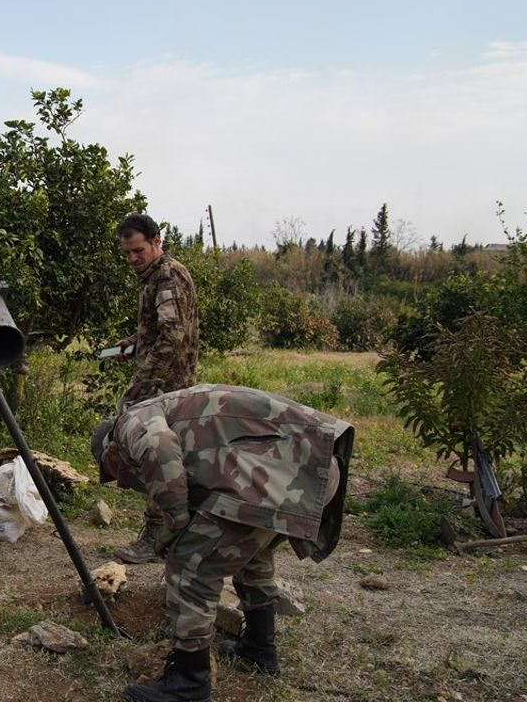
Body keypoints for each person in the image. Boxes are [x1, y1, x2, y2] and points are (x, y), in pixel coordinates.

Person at [91, 384, 353, 702]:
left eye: (113, 472)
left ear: (112, 451)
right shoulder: (170, 410)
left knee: (191, 564)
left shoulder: (130, 423)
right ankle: (259, 648)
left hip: (286, 469)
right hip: (311, 467)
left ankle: (189, 683)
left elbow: (160, 451)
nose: (121, 481)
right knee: (250, 554)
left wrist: (176, 526)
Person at [110, 213, 199, 565]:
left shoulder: (167, 276)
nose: (133, 258)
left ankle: (156, 536)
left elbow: (172, 338)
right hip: (162, 384)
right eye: (128, 253)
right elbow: (158, 331)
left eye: (138, 250)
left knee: (155, 460)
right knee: (162, 461)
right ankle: (171, 534)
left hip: (166, 389)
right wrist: (130, 345)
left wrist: (141, 384)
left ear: (156, 241)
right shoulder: (153, 277)